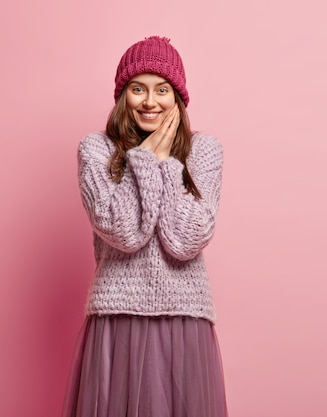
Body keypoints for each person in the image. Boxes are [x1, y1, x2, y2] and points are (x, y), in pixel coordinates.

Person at [62, 36, 228, 417]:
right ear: (123, 95)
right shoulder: (96, 149)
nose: (150, 101)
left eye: (162, 90)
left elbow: (186, 240)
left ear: (178, 98)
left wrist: (167, 164)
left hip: (184, 317)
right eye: (138, 89)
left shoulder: (204, 151)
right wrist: (143, 159)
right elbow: (122, 231)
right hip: (116, 318)